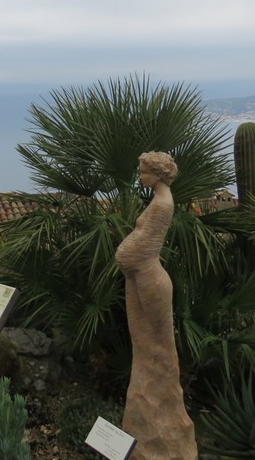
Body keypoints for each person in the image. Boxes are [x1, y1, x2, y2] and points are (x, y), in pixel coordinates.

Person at [114, 151, 197, 460]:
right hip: (137, 276)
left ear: (158, 174)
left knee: (160, 349)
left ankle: (166, 430)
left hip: (150, 279)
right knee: (142, 348)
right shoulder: (156, 200)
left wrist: (126, 258)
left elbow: (144, 248)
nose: (140, 176)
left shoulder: (162, 204)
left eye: (144, 171)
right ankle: (143, 424)